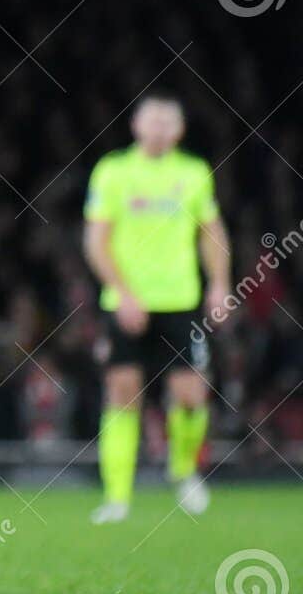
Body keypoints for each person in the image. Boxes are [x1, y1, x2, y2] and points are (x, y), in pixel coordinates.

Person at [83, 92, 231, 523]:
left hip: (180, 301)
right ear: (136, 126)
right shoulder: (114, 171)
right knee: (123, 394)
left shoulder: (194, 172)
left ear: (180, 130)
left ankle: (183, 471)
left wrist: (219, 284)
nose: (160, 129)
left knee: (190, 396)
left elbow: (211, 231)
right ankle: (117, 497)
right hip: (126, 303)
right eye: (153, 121)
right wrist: (124, 292)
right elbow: (96, 240)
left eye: (169, 122)